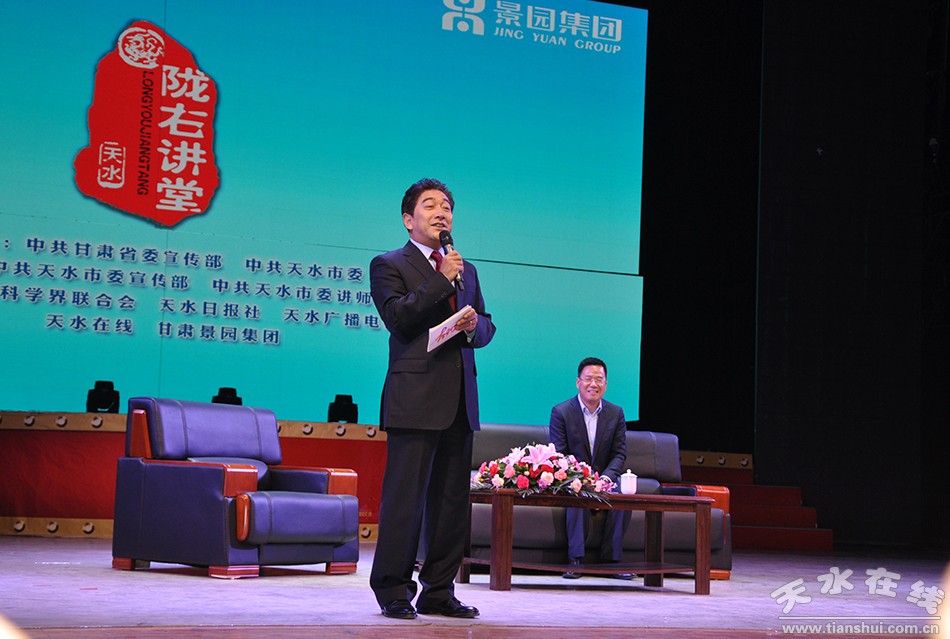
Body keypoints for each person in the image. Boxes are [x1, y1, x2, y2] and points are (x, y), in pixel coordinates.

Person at [368, 178, 496, 620]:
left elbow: (487, 324)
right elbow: (398, 317)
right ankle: (393, 590)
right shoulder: (389, 264)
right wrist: (441, 281)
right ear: (409, 219)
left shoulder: (467, 269)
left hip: (460, 400)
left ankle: (439, 591)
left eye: (447, 206)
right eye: (430, 205)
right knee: (405, 502)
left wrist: (474, 327)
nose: (442, 212)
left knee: (450, 505)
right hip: (414, 399)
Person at [549, 356, 633, 580]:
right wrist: (583, 479)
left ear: (606, 384)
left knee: (623, 495)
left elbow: (619, 453)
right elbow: (559, 454)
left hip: (605, 479)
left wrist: (605, 479)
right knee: (577, 494)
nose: (593, 384)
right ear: (578, 382)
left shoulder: (616, 413)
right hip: (573, 478)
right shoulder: (561, 412)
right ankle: (575, 560)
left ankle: (612, 561)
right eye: (588, 379)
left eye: (599, 379)